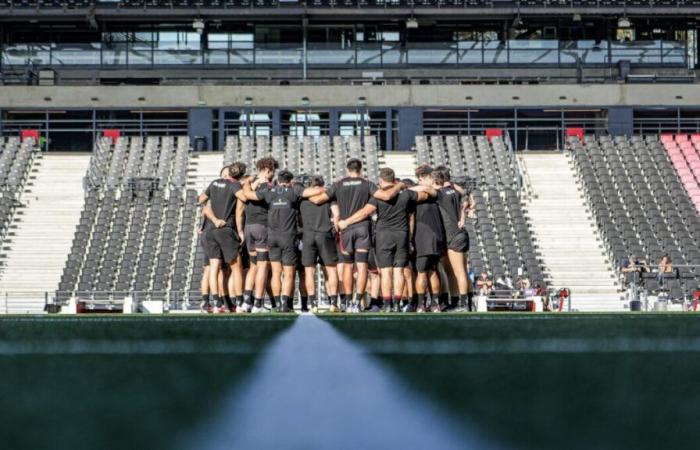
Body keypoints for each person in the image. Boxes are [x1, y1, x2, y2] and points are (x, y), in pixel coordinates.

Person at [308, 158, 403, 312]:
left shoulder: (339, 184)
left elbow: (318, 199)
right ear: (360, 169)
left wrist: (301, 194)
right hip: (363, 228)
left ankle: (345, 302)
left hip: (346, 229)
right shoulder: (367, 184)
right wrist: (399, 184)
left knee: (347, 266)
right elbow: (386, 196)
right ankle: (357, 302)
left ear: (347, 169)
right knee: (362, 265)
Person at [339, 168, 434, 312]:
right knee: (399, 271)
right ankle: (397, 304)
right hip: (401, 235)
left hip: (383, 236)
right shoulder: (407, 193)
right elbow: (428, 195)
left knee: (385, 272)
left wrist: (347, 222)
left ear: (381, 180)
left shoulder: (378, 196)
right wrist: (422, 187)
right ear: (394, 179)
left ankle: (388, 304)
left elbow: (365, 212)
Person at [241, 170, 325, 312]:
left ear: (278, 180)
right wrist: (327, 188)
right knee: (289, 273)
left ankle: (278, 304)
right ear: (290, 181)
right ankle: (286, 305)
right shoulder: (294, 191)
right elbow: (313, 192)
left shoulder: (270, 191)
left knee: (275, 272)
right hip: (288, 237)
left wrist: (248, 181)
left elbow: (247, 194)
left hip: (272, 237)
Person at [201, 162, 249, 313]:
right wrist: (246, 184)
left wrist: (213, 216)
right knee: (236, 267)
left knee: (214, 268)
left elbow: (201, 199)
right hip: (226, 229)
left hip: (210, 230)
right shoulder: (234, 185)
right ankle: (240, 303)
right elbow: (244, 198)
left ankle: (217, 303)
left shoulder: (214, 183)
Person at [239, 157, 278, 312]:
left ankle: (246, 302)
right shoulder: (266, 186)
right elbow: (251, 196)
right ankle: (258, 304)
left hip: (248, 227)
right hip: (261, 226)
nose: (274, 174)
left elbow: (244, 195)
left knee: (253, 266)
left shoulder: (250, 184)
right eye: (273, 171)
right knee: (263, 266)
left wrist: (249, 183)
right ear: (268, 170)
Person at [299, 175, 339, 313]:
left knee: (309, 271)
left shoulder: (302, 198)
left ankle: (313, 303)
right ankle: (333, 302)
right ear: (322, 184)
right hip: (325, 233)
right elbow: (336, 214)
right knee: (330, 270)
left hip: (308, 235)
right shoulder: (328, 196)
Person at [433, 167, 471, 311]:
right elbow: (466, 195)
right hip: (458, 233)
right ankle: (456, 302)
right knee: (452, 272)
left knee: (459, 271)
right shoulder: (455, 191)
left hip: (453, 235)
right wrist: (462, 216)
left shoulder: (439, 194)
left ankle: (463, 304)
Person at [410, 165, 445, 313]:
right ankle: (435, 304)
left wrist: (409, 188)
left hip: (424, 237)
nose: (432, 180)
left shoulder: (434, 192)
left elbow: (430, 190)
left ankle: (420, 305)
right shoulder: (424, 193)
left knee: (423, 271)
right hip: (435, 236)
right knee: (432, 271)